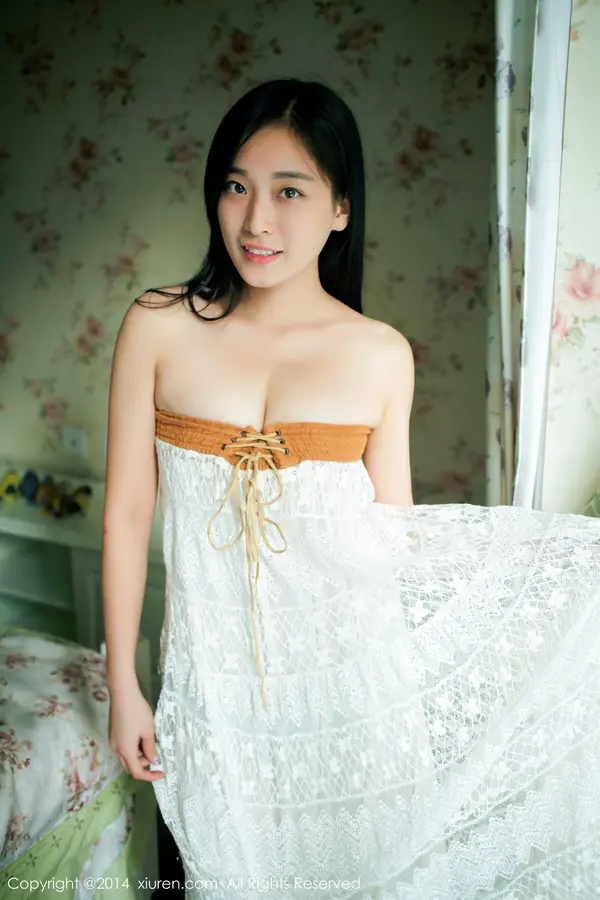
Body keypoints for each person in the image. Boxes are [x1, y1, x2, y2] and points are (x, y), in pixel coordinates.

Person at [102, 78, 600, 899]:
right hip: (217, 700)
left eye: (289, 191)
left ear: (340, 208)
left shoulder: (378, 354)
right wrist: (124, 682)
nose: (256, 221)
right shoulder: (157, 326)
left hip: (359, 702)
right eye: (236, 186)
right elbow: (126, 514)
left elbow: (396, 544)